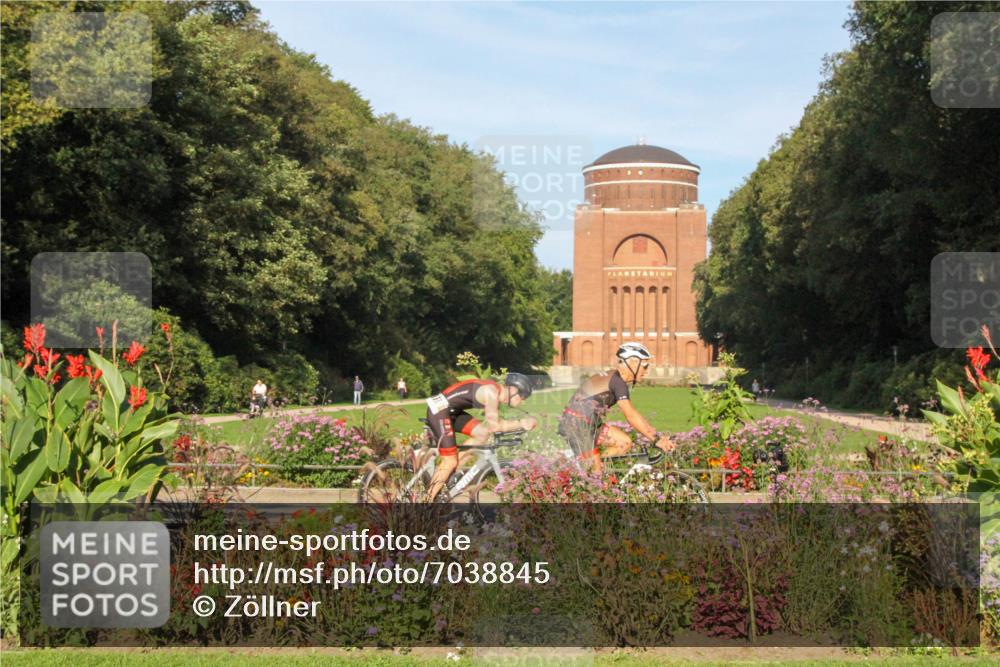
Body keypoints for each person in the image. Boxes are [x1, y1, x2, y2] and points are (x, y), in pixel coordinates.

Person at [558, 342, 675, 473]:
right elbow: (630, 415)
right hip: (577, 425)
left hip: (589, 423)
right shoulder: (617, 382)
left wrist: (655, 435)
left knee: (623, 442)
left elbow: (633, 413)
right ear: (633, 362)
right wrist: (656, 439)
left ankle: (583, 467)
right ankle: (586, 471)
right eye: (645, 366)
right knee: (595, 475)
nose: (646, 370)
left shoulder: (615, 378)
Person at [426, 373, 538, 501]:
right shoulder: (491, 393)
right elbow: (495, 426)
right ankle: (425, 503)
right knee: (449, 460)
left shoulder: (494, 390)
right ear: (513, 390)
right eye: (523, 397)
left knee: (483, 433)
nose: (522, 401)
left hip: (451, 410)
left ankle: (452, 473)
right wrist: (521, 423)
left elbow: (490, 429)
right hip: (439, 411)